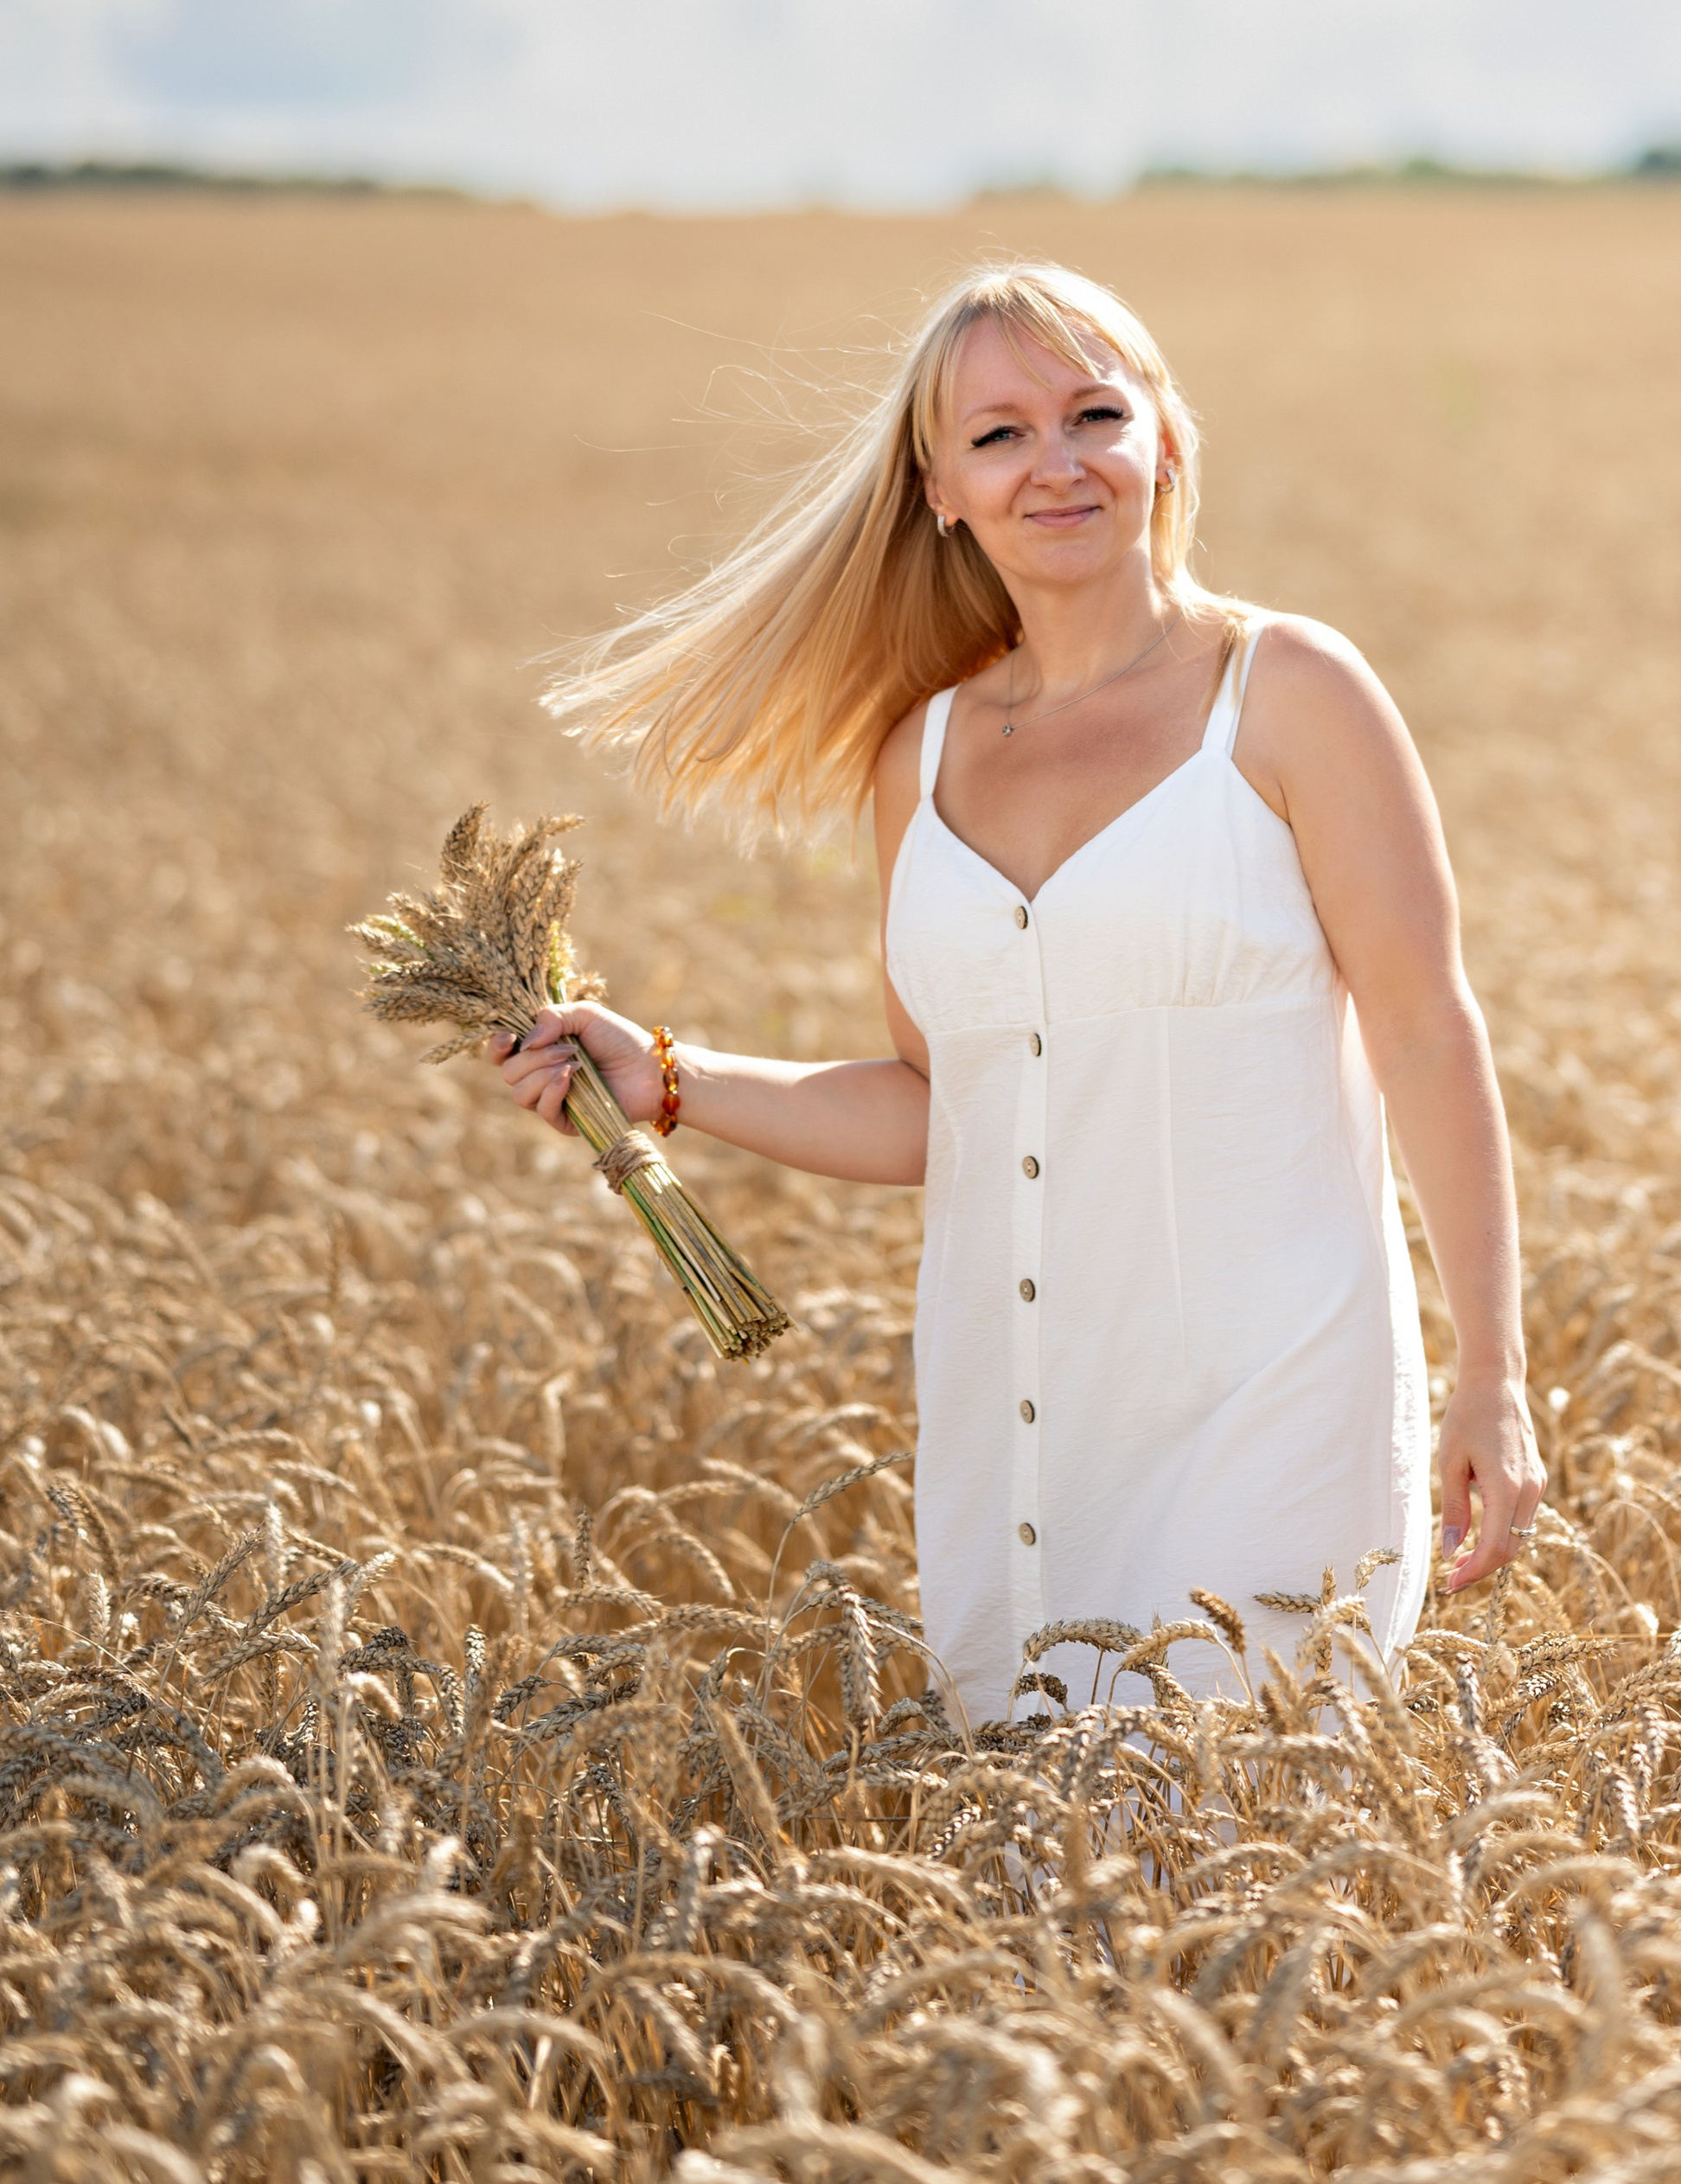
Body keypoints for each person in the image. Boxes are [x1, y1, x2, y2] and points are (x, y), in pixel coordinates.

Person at [492, 260, 1544, 1724]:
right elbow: (944, 1108)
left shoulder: (1291, 692)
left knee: (1244, 1844)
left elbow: (1430, 1033)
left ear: (1162, 444)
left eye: (1092, 415)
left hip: (1275, 1407)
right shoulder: (914, 761)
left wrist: (1493, 1370)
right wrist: (663, 1076)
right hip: (1028, 1438)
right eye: (998, 436)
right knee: (1059, 1907)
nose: (1055, 463)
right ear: (940, 488)